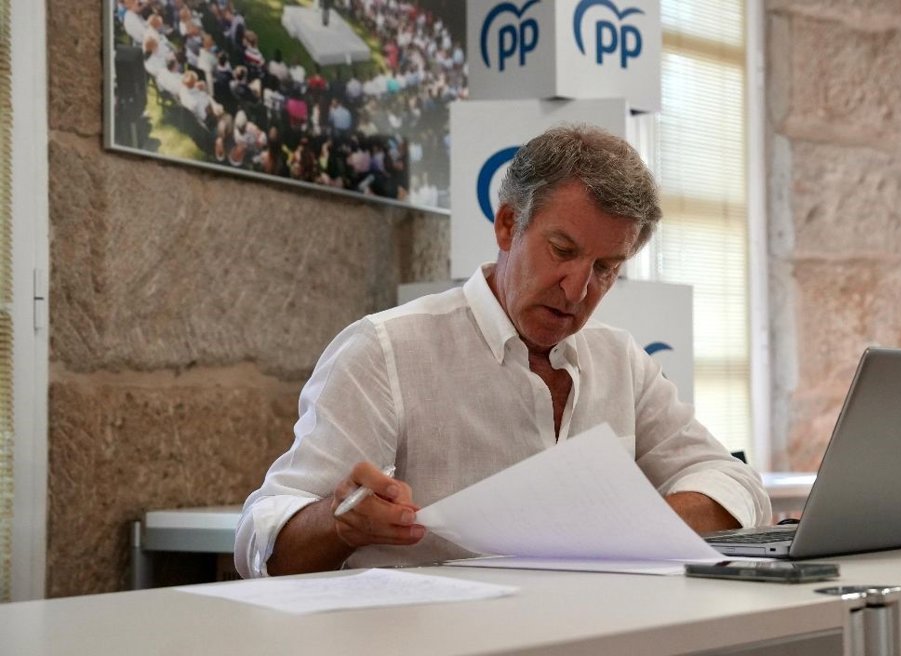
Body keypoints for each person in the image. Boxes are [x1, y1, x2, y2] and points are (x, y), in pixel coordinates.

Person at [234, 124, 771, 578]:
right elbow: (262, 540)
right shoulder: (385, 350)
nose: (577, 290)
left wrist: (628, 529)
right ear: (508, 224)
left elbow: (732, 481)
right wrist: (339, 522)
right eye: (562, 250)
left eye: (606, 269)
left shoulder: (619, 359)